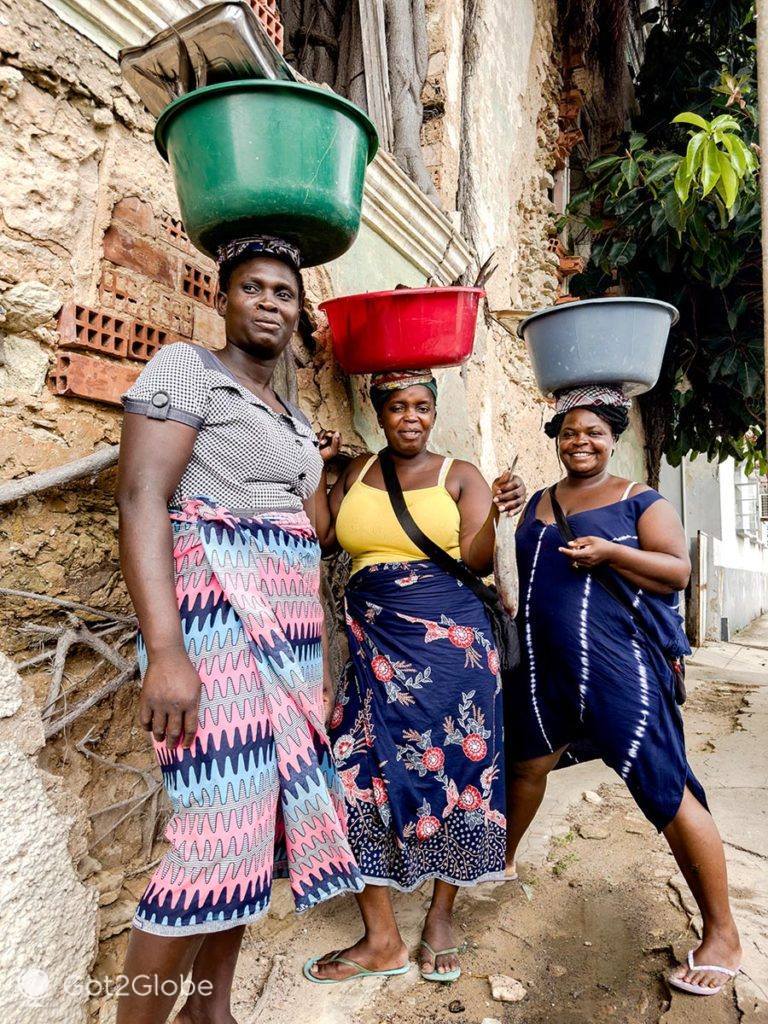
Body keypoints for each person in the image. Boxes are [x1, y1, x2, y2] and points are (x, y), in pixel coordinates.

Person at [115, 235, 362, 1024]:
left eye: (285, 293)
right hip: (215, 626)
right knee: (215, 834)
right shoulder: (187, 371)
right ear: (224, 299)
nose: (269, 302)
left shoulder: (293, 417)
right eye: (252, 288)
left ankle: (209, 1012)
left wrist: (315, 665)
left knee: (258, 833)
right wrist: (165, 651)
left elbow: (309, 539)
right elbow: (141, 498)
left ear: (299, 314)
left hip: (286, 642)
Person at [504, 384, 742, 998]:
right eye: (570, 432)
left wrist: (611, 552)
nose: (581, 442)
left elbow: (679, 570)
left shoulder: (639, 499)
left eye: (594, 432)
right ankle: (497, 864)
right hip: (547, 671)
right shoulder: (537, 503)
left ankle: (723, 934)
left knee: (665, 788)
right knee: (527, 766)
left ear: (613, 438)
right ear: (556, 438)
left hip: (620, 667)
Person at [304, 369, 526, 984]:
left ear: (434, 412)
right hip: (370, 644)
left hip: (452, 650)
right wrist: (317, 470)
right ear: (379, 414)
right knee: (350, 768)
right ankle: (382, 938)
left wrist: (500, 516)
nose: (411, 417)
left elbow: (477, 558)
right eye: (397, 407)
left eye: (422, 407)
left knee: (461, 771)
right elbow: (323, 538)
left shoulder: (460, 474)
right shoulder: (353, 474)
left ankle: (440, 917)